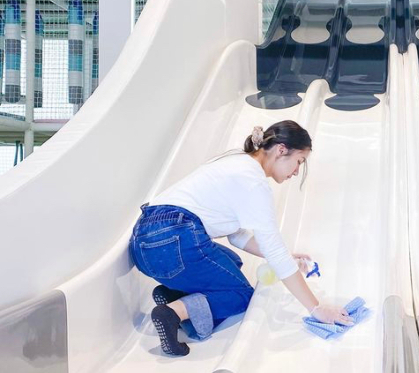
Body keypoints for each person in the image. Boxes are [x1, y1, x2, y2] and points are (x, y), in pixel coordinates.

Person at [128, 120, 354, 356]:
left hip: (143, 245)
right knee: (241, 295)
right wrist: (316, 308)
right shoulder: (254, 181)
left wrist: (286, 256)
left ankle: (175, 294)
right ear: (281, 150)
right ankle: (173, 312)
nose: (296, 171)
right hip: (175, 241)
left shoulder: (235, 163)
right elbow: (274, 251)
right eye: (299, 161)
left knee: (230, 260)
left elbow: (237, 236)